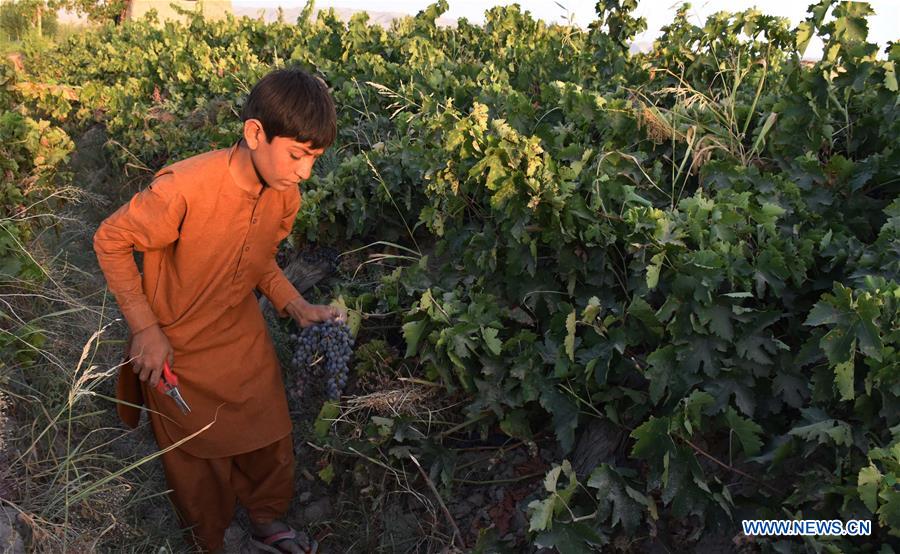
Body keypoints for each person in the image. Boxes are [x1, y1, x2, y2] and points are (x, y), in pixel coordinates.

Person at [93, 68, 344, 554]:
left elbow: (258, 258)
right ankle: (211, 540)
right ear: (255, 133)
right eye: (297, 155)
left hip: (240, 333)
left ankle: (266, 519)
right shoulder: (183, 189)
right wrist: (145, 329)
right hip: (176, 345)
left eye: (314, 159)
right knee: (195, 460)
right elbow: (110, 239)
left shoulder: (284, 194)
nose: (305, 173)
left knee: (269, 433)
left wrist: (296, 306)